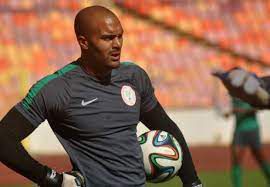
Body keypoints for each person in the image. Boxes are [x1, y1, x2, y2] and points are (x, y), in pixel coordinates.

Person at [0, 6, 202, 187]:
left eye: (120, 36)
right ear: (83, 42)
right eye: (107, 38)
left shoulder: (134, 77)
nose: (117, 44)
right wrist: (49, 178)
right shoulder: (56, 89)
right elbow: (3, 138)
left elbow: (166, 127)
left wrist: (192, 181)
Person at [223, 96, 270, 187]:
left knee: (260, 158)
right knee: (236, 159)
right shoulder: (233, 90)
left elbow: (258, 108)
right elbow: (233, 107)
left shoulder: (250, 89)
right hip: (239, 129)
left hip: (252, 128)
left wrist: (240, 111)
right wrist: (230, 112)